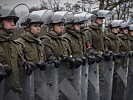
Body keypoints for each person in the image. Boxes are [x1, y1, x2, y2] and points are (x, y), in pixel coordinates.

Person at [15, 13, 46, 100]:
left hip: (40, 83)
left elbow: (45, 60)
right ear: (27, 27)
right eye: (35, 25)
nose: (39, 28)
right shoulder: (19, 43)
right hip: (27, 85)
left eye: (39, 25)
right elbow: (19, 66)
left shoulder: (40, 43)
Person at [0, 7, 21, 99]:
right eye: (9, 20)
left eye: (14, 21)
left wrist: (25, 63)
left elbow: (19, 63)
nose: (13, 23)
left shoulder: (14, 44)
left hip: (15, 92)